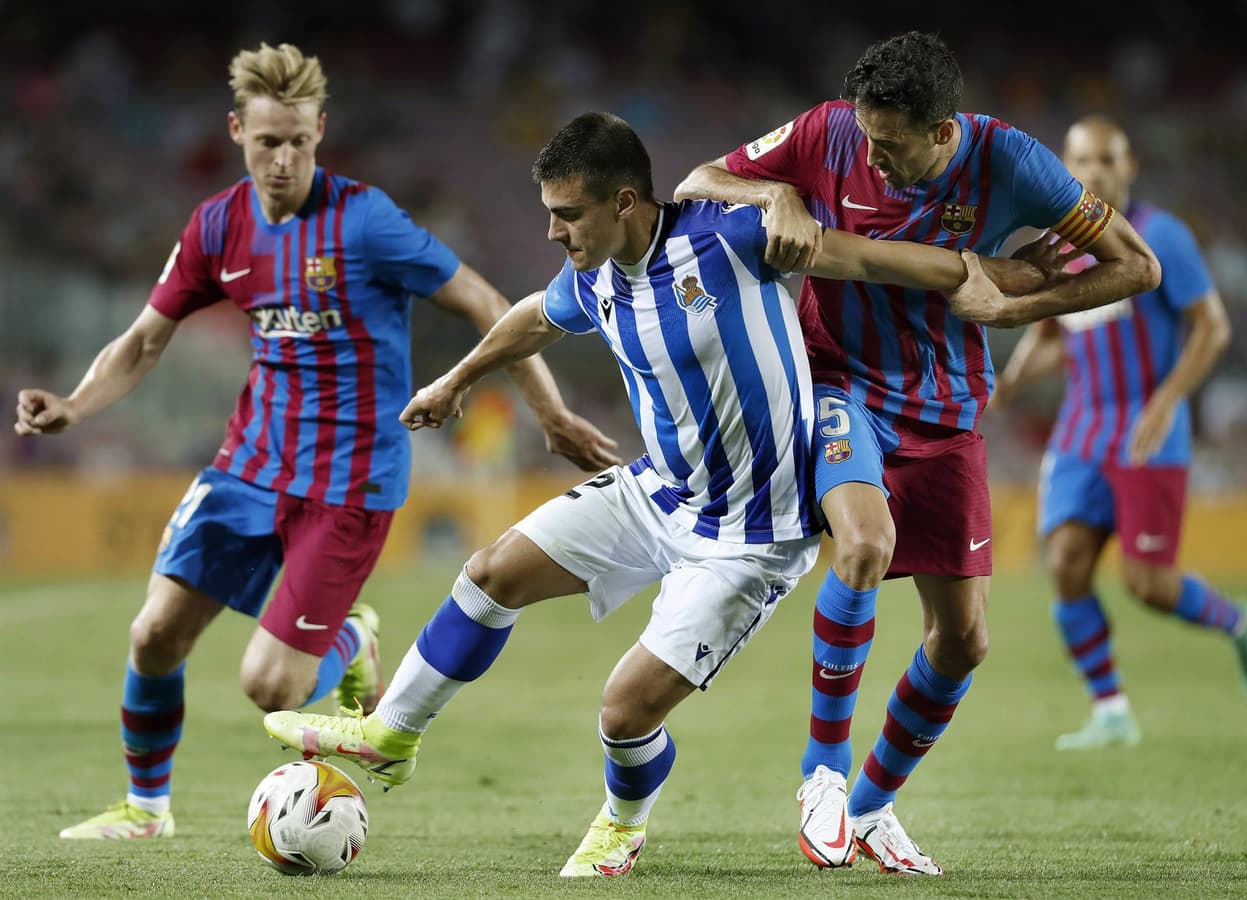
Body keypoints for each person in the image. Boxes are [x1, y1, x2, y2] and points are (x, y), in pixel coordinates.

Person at [261, 111, 1057, 878]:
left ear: (626, 202)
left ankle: (622, 823)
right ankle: (392, 733)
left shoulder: (734, 240)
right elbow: (534, 317)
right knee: (491, 573)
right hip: (660, 494)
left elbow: (874, 260)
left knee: (623, 714)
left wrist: (999, 279)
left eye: (567, 215)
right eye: (549, 215)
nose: (553, 233)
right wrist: (456, 379)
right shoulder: (593, 274)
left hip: (751, 538)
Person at [13, 43, 620, 841]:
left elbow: (484, 300)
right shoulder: (217, 226)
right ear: (238, 132)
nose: (285, 158)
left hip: (349, 482)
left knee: (269, 688)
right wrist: (75, 406)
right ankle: (146, 809)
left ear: (320, 131)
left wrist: (549, 415)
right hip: (250, 465)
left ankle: (354, 638)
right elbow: (140, 342)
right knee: (153, 634)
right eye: (269, 142)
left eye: (300, 140)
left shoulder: (364, 219)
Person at [674, 31, 1162, 874]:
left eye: (890, 145)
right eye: (865, 138)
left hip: (945, 407)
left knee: (964, 641)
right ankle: (821, 774)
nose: (870, 157)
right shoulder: (827, 131)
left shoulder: (1013, 162)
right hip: (836, 385)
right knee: (863, 543)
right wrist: (774, 199)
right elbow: (695, 183)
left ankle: (869, 808)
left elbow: (1138, 266)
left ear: (944, 133)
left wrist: (1014, 310)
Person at [995, 116, 1247, 749]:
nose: (1094, 172)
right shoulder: (1057, 244)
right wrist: (1009, 384)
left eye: (1106, 160)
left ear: (1129, 167)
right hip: (1080, 430)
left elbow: (1212, 327)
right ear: (1064, 169)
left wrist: (1168, 401)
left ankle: (1240, 623)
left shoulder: (1161, 236)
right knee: (1065, 562)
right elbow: (1050, 333)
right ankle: (1111, 709)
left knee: (1147, 583)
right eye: (1081, 161)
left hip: (1148, 428)